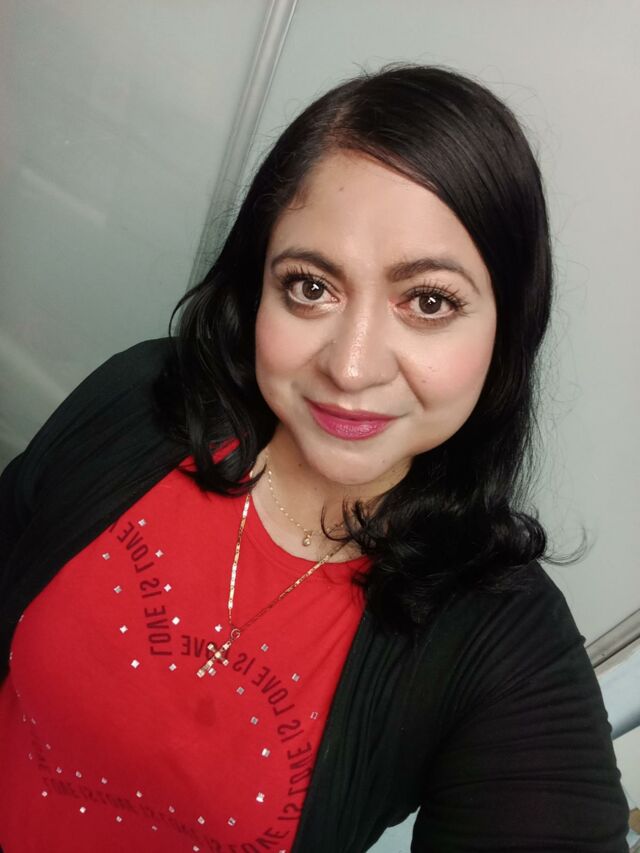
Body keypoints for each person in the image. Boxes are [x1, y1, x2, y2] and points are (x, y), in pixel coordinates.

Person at [0, 63, 629, 852]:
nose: (351, 367)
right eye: (309, 286)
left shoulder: (503, 642)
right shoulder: (141, 399)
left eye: (428, 301)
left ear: (507, 328)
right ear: (256, 285)